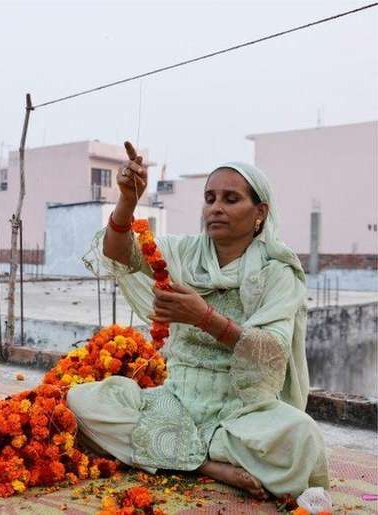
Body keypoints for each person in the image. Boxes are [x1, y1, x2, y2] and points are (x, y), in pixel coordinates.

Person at [67, 141, 329, 499]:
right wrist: (128, 198)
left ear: (260, 212)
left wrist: (204, 318)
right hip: (176, 400)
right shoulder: (184, 252)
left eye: (230, 199)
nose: (216, 208)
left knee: (304, 440)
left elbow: (272, 352)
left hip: (241, 410)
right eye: (210, 199)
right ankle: (208, 466)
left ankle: (179, 452)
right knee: (81, 402)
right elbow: (117, 251)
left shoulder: (277, 271)